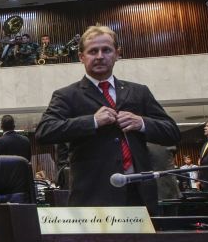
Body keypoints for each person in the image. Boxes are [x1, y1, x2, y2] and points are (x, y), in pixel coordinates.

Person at [35, 25, 180, 214]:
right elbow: (44, 131)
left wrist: (142, 123)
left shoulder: (139, 92)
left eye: (106, 50)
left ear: (117, 54)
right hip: (93, 198)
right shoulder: (67, 95)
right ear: (81, 57)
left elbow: (172, 133)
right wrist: (92, 121)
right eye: (93, 51)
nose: (100, 56)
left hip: (140, 195)